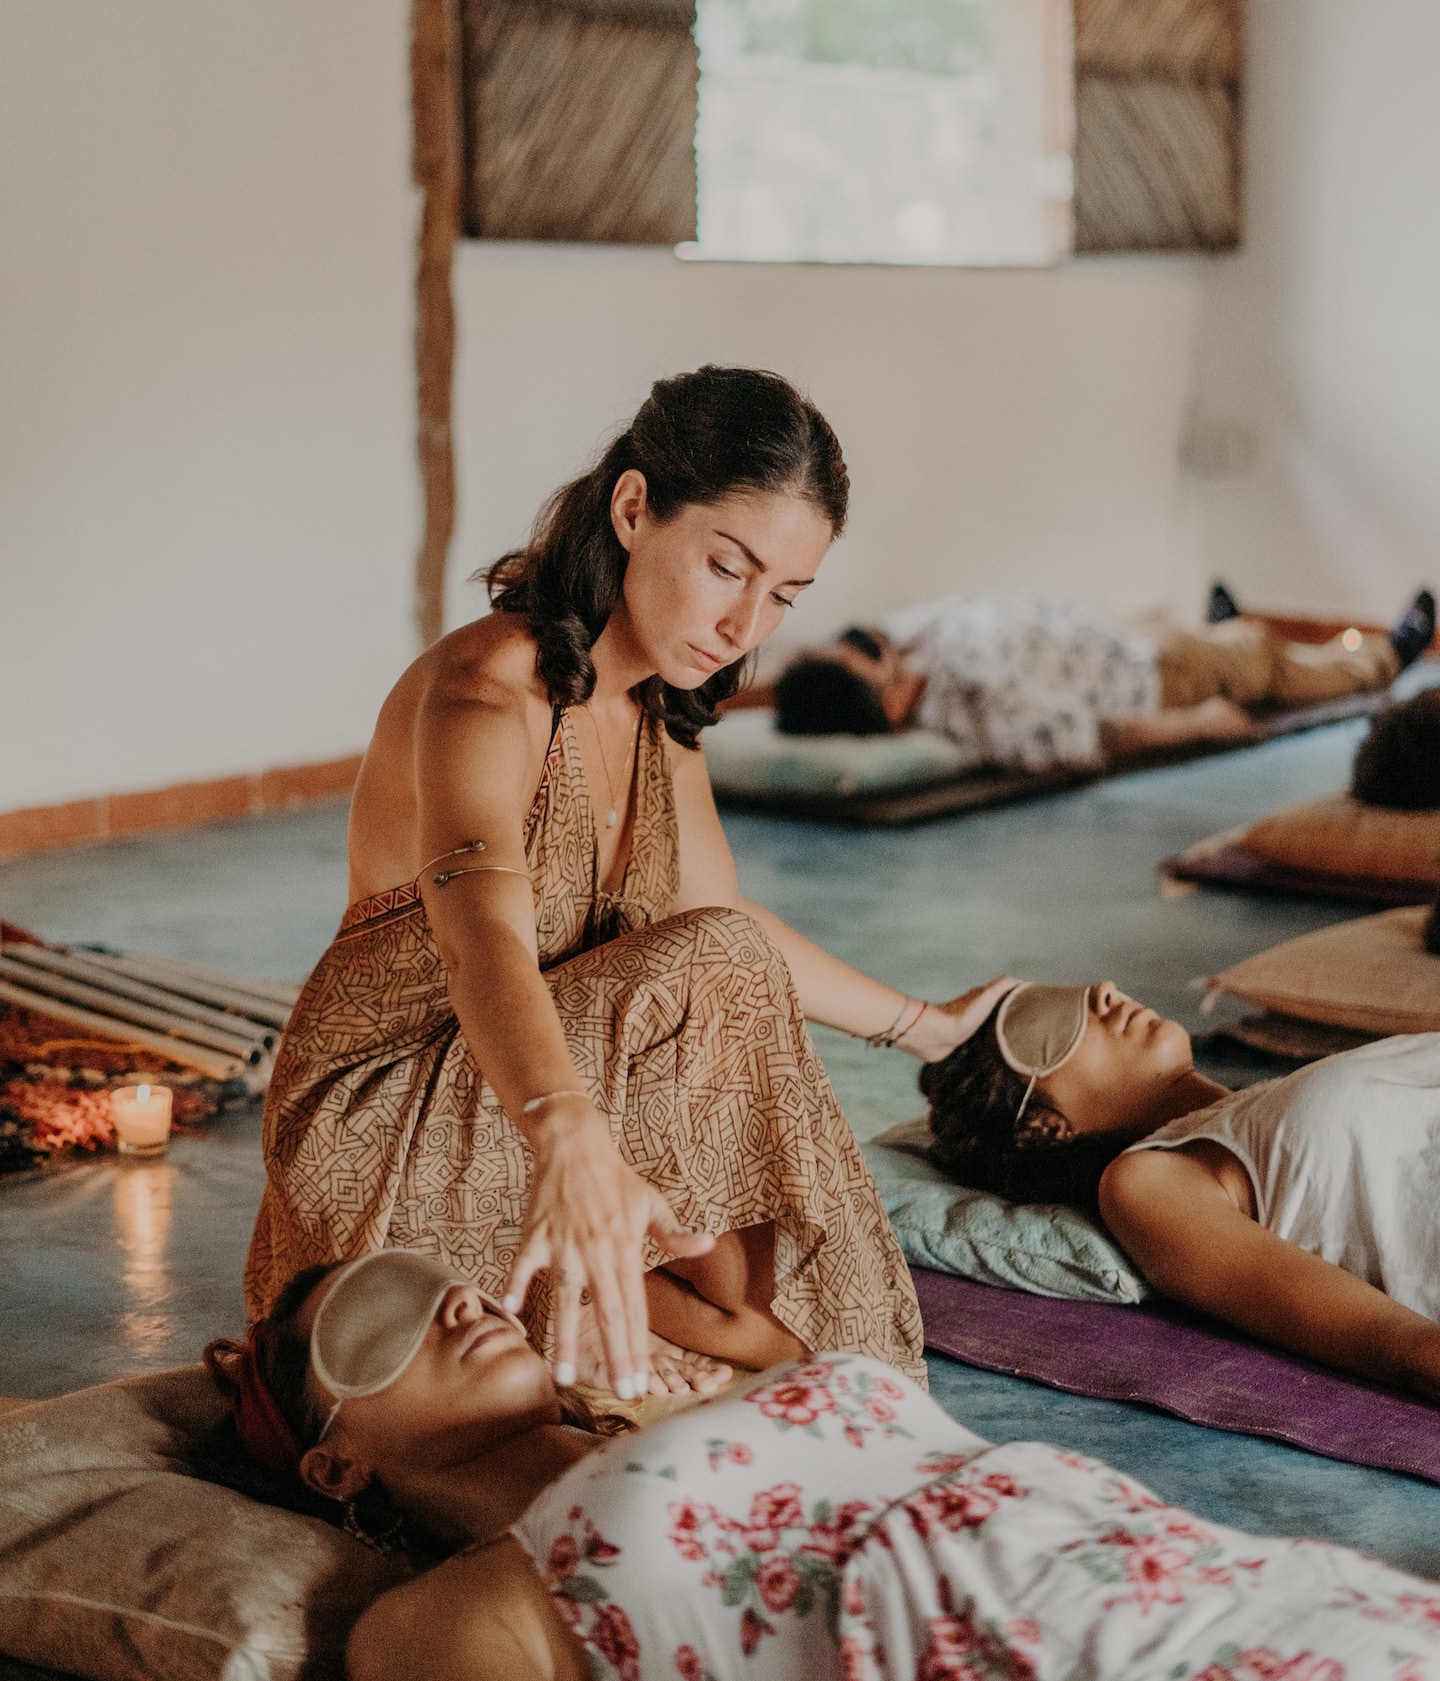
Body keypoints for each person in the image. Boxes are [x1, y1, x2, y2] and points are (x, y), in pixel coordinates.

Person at [247, 367, 1013, 1400]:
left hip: (535, 1089)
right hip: (382, 1120)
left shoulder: (661, 708)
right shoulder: (483, 691)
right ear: (634, 507)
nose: (748, 626)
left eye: (783, 595)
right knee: (713, 969)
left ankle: (658, 1310)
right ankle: (568, 1286)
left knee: (763, 1310)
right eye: (727, 567)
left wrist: (927, 1027)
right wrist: (568, 1135)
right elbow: (483, 943)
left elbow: (720, 918)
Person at [203, 1247, 1440, 1681]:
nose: (457, 1299)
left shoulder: (698, 1404)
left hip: (1241, 1585)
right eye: (381, 1316)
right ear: (334, 1465)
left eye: (445, 1278)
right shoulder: (455, 1618)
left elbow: (751, 1315)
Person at [918, 939, 1440, 1402]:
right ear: (1041, 1128)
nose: (1102, 991)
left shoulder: (1260, 1102)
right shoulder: (1147, 1181)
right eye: (1046, 1024)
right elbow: (1394, 1344)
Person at [767, 583, 1435, 775]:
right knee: (1263, 657)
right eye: (862, 653)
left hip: (1123, 637)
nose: (872, 643)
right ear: (881, 702)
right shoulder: (965, 704)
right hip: (1154, 677)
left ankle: (1219, 631)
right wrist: (1194, 725)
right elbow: (1076, 737)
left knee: (1228, 643)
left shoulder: (912, 643)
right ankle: (1380, 660)